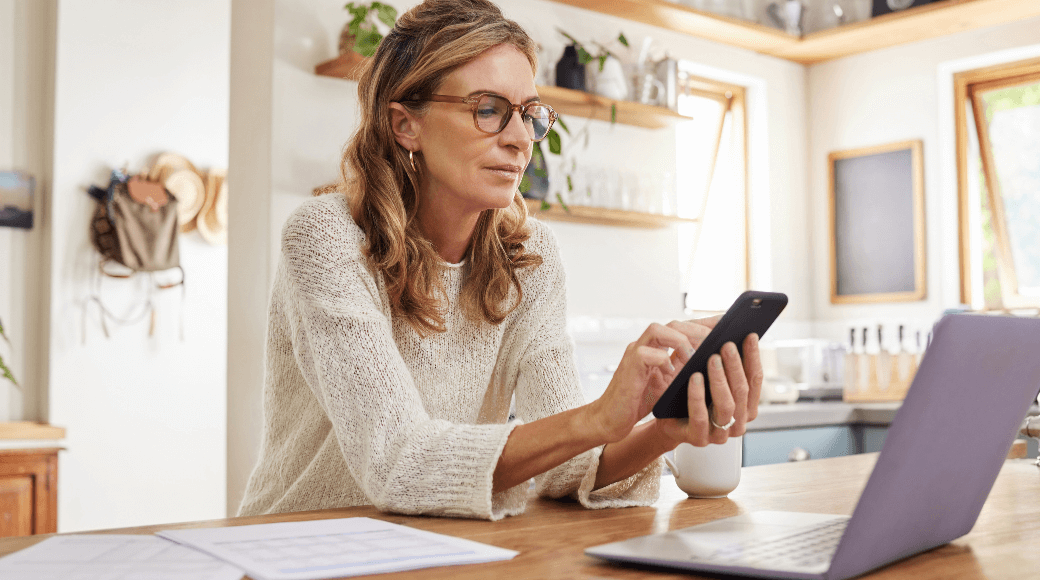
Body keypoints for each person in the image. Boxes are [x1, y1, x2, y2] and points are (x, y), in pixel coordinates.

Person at [237, 0, 763, 520]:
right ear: (404, 124)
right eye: (488, 110)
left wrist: (661, 428)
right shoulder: (327, 238)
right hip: (294, 547)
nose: (519, 140)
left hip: (433, 551)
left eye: (529, 114)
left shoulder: (529, 256)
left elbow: (564, 467)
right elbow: (400, 462)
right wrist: (600, 417)